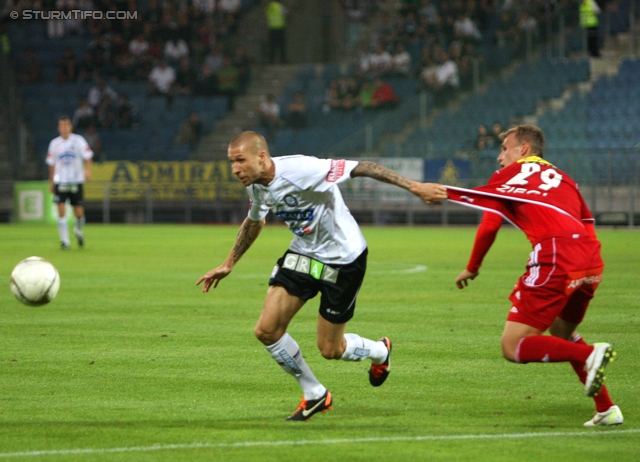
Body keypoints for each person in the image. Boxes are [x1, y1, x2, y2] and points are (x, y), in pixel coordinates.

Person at [196, 131, 447, 421]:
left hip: (343, 259)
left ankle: (379, 351)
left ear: (262, 157)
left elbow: (363, 167)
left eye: (240, 160)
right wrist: (229, 263)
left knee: (331, 349)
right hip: (304, 255)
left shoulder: (301, 169)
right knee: (266, 330)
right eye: (231, 162)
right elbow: (255, 221)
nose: (235, 169)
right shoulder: (255, 186)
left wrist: (416, 187)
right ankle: (315, 394)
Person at [448, 125, 622, 427]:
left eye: (505, 148)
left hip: (556, 256)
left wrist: (473, 266)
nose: (500, 157)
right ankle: (607, 408)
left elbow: (490, 225)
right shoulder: (565, 179)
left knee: (513, 345)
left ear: (524, 149)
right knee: (563, 332)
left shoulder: (508, 177)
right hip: (590, 259)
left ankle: (590, 355)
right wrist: (586, 262)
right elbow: (587, 223)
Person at [46, 116, 93, 250]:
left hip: (76, 180)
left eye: (66, 125)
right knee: (61, 209)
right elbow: (51, 164)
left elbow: (88, 157)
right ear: (58, 128)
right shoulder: (54, 143)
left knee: (79, 213)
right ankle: (65, 242)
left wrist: (88, 170)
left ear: (71, 127)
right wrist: (51, 181)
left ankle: (78, 231)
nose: (64, 128)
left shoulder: (79, 141)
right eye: (62, 125)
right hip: (60, 180)